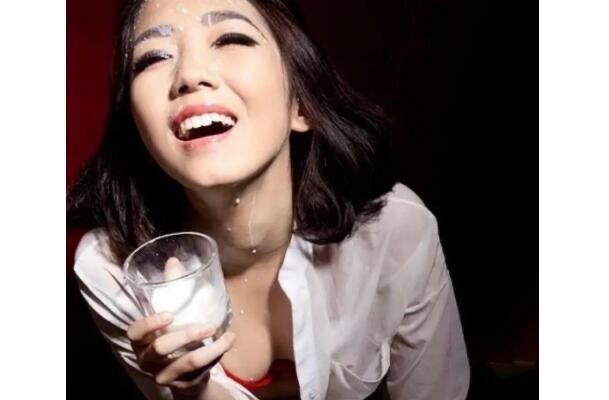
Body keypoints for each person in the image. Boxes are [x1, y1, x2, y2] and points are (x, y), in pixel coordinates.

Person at [67, 0, 470, 399]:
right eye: (154, 57)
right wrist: (196, 392)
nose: (189, 75)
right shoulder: (114, 268)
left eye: (230, 38)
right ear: (139, 128)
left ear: (302, 103)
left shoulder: (396, 231)